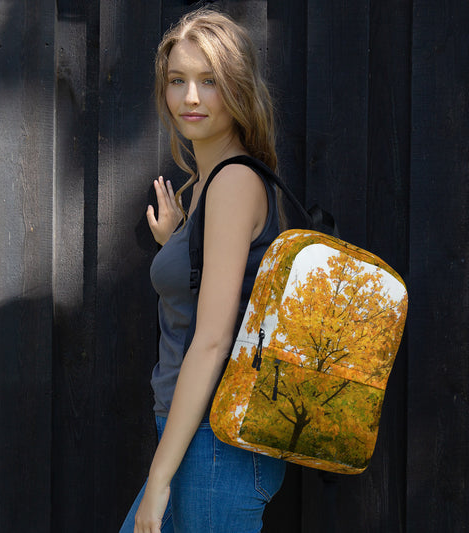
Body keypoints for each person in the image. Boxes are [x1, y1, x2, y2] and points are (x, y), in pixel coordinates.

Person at [120, 8, 286, 533]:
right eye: (177, 81)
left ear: (236, 89)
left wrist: (160, 478)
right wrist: (177, 243)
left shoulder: (233, 183)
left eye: (209, 81)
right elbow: (215, 298)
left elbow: (213, 340)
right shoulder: (211, 183)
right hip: (199, 439)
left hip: (215, 445)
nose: (190, 97)